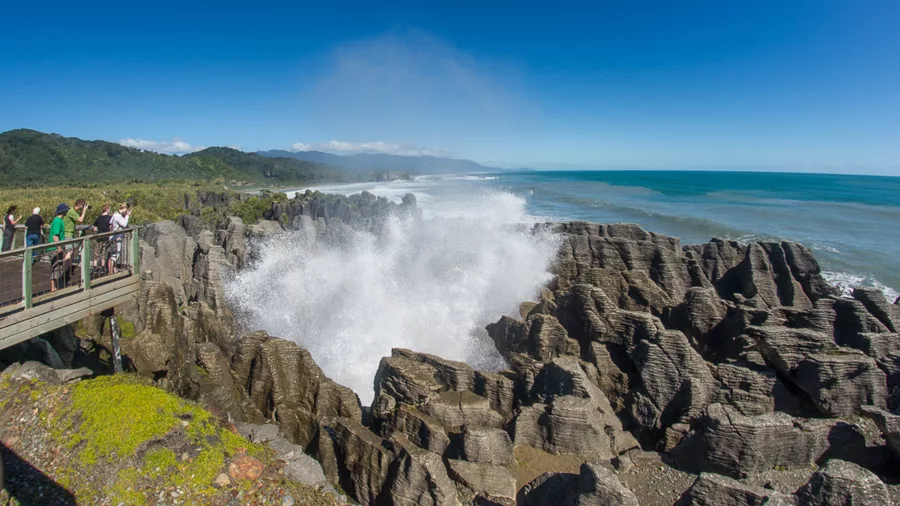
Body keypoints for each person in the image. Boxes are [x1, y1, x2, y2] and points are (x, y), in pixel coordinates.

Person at [48, 204, 68, 291]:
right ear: (63, 211)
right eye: (66, 210)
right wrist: (59, 247)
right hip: (54, 248)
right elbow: (55, 236)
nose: (67, 211)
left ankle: (55, 287)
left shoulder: (58, 220)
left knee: (57, 267)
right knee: (55, 267)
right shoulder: (58, 221)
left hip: (54, 247)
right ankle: (53, 287)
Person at [108, 203, 131, 273]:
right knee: (115, 255)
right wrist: (127, 216)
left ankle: (113, 271)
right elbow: (124, 224)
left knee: (113, 254)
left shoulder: (115, 214)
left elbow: (110, 222)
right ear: (124, 208)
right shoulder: (117, 216)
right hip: (116, 237)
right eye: (126, 209)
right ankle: (110, 272)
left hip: (113, 237)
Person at [93, 205, 113, 274]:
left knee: (97, 253)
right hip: (105, 237)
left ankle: (95, 268)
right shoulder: (109, 218)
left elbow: (95, 228)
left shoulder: (98, 218)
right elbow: (111, 227)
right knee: (103, 253)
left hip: (98, 237)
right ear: (107, 209)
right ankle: (102, 267)